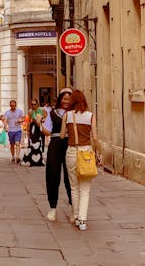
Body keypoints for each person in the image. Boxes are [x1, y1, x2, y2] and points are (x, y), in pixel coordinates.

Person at [60, 89, 101, 231]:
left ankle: (76, 216)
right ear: (84, 101)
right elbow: (94, 137)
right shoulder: (90, 116)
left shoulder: (67, 115)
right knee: (85, 189)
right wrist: (99, 152)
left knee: (74, 187)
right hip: (86, 153)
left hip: (71, 152)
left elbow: (61, 135)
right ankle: (83, 220)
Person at [42, 87, 73, 222]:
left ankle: (74, 208)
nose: (66, 101)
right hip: (55, 143)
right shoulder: (52, 113)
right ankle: (53, 208)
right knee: (53, 175)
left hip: (69, 144)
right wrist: (39, 123)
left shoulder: (73, 113)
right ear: (60, 99)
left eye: (69, 99)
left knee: (70, 177)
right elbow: (47, 131)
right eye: (64, 98)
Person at [3, 99, 24, 163]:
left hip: (18, 130)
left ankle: (17, 157)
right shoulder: (7, 112)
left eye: (14, 106)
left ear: (16, 105)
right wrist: (6, 127)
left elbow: (23, 118)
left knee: (17, 143)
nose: (13, 107)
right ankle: (13, 156)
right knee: (12, 144)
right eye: (12, 106)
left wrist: (19, 121)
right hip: (11, 130)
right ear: (10, 105)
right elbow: (5, 121)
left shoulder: (20, 111)